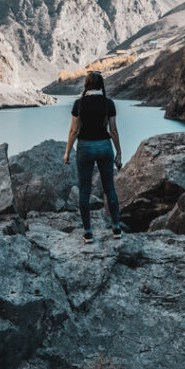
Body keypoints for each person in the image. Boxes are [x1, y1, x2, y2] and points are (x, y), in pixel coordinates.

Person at [63, 71, 122, 243]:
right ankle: (116, 229)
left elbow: (74, 131)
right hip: (104, 146)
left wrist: (67, 152)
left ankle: (88, 233)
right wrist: (118, 152)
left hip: (85, 148)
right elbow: (113, 131)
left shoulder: (79, 104)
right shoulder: (108, 103)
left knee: (85, 190)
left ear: (86, 85)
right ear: (101, 84)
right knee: (109, 188)